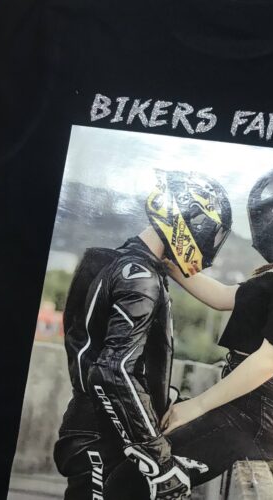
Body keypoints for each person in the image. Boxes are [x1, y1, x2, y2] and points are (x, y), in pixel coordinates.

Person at [103, 164, 273, 498]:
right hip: (251, 405)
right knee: (136, 471)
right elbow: (223, 296)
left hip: (259, 414)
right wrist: (170, 264)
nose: (266, 222)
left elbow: (269, 360)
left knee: (132, 480)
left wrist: (197, 406)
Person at [53, 169, 232, 500]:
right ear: (189, 222)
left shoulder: (113, 262)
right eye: (210, 232)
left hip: (96, 427)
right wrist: (159, 461)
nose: (209, 245)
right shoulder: (140, 276)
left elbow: (108, 359)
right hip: (103, 436)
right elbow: (115, 371)